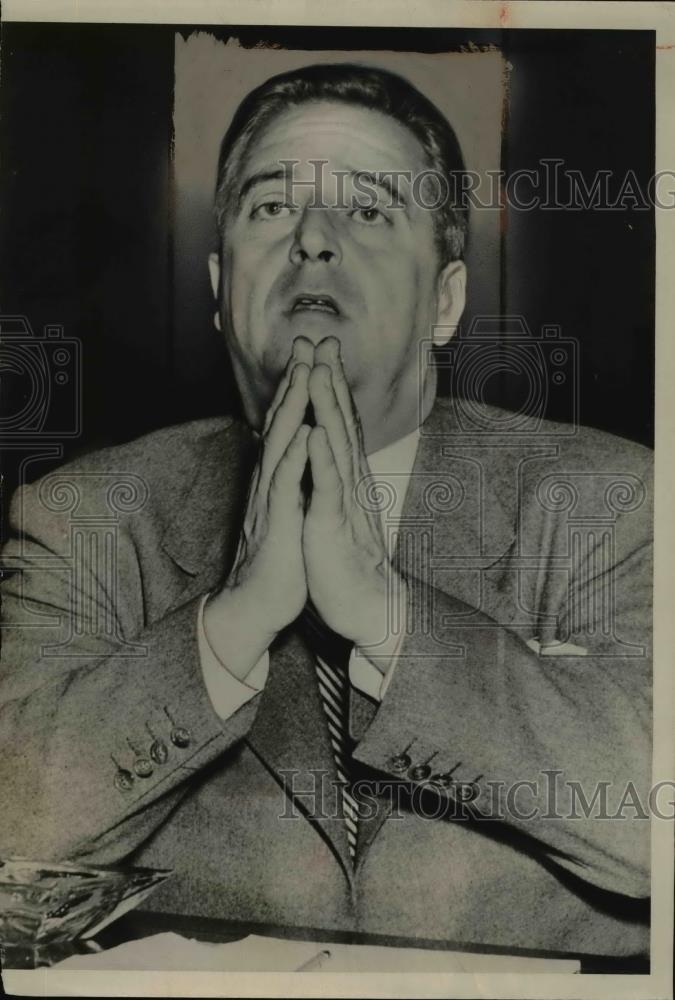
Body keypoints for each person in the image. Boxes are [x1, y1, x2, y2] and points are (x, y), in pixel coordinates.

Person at [0, 63, 652, 957]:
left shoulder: (609, 502)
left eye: (371, 210)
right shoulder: (85, 517)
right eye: (272, 207)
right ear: (221, 291)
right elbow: (11, 825)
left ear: (446, 301)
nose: (312, 237)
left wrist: (388, 619)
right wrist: (229, 626)